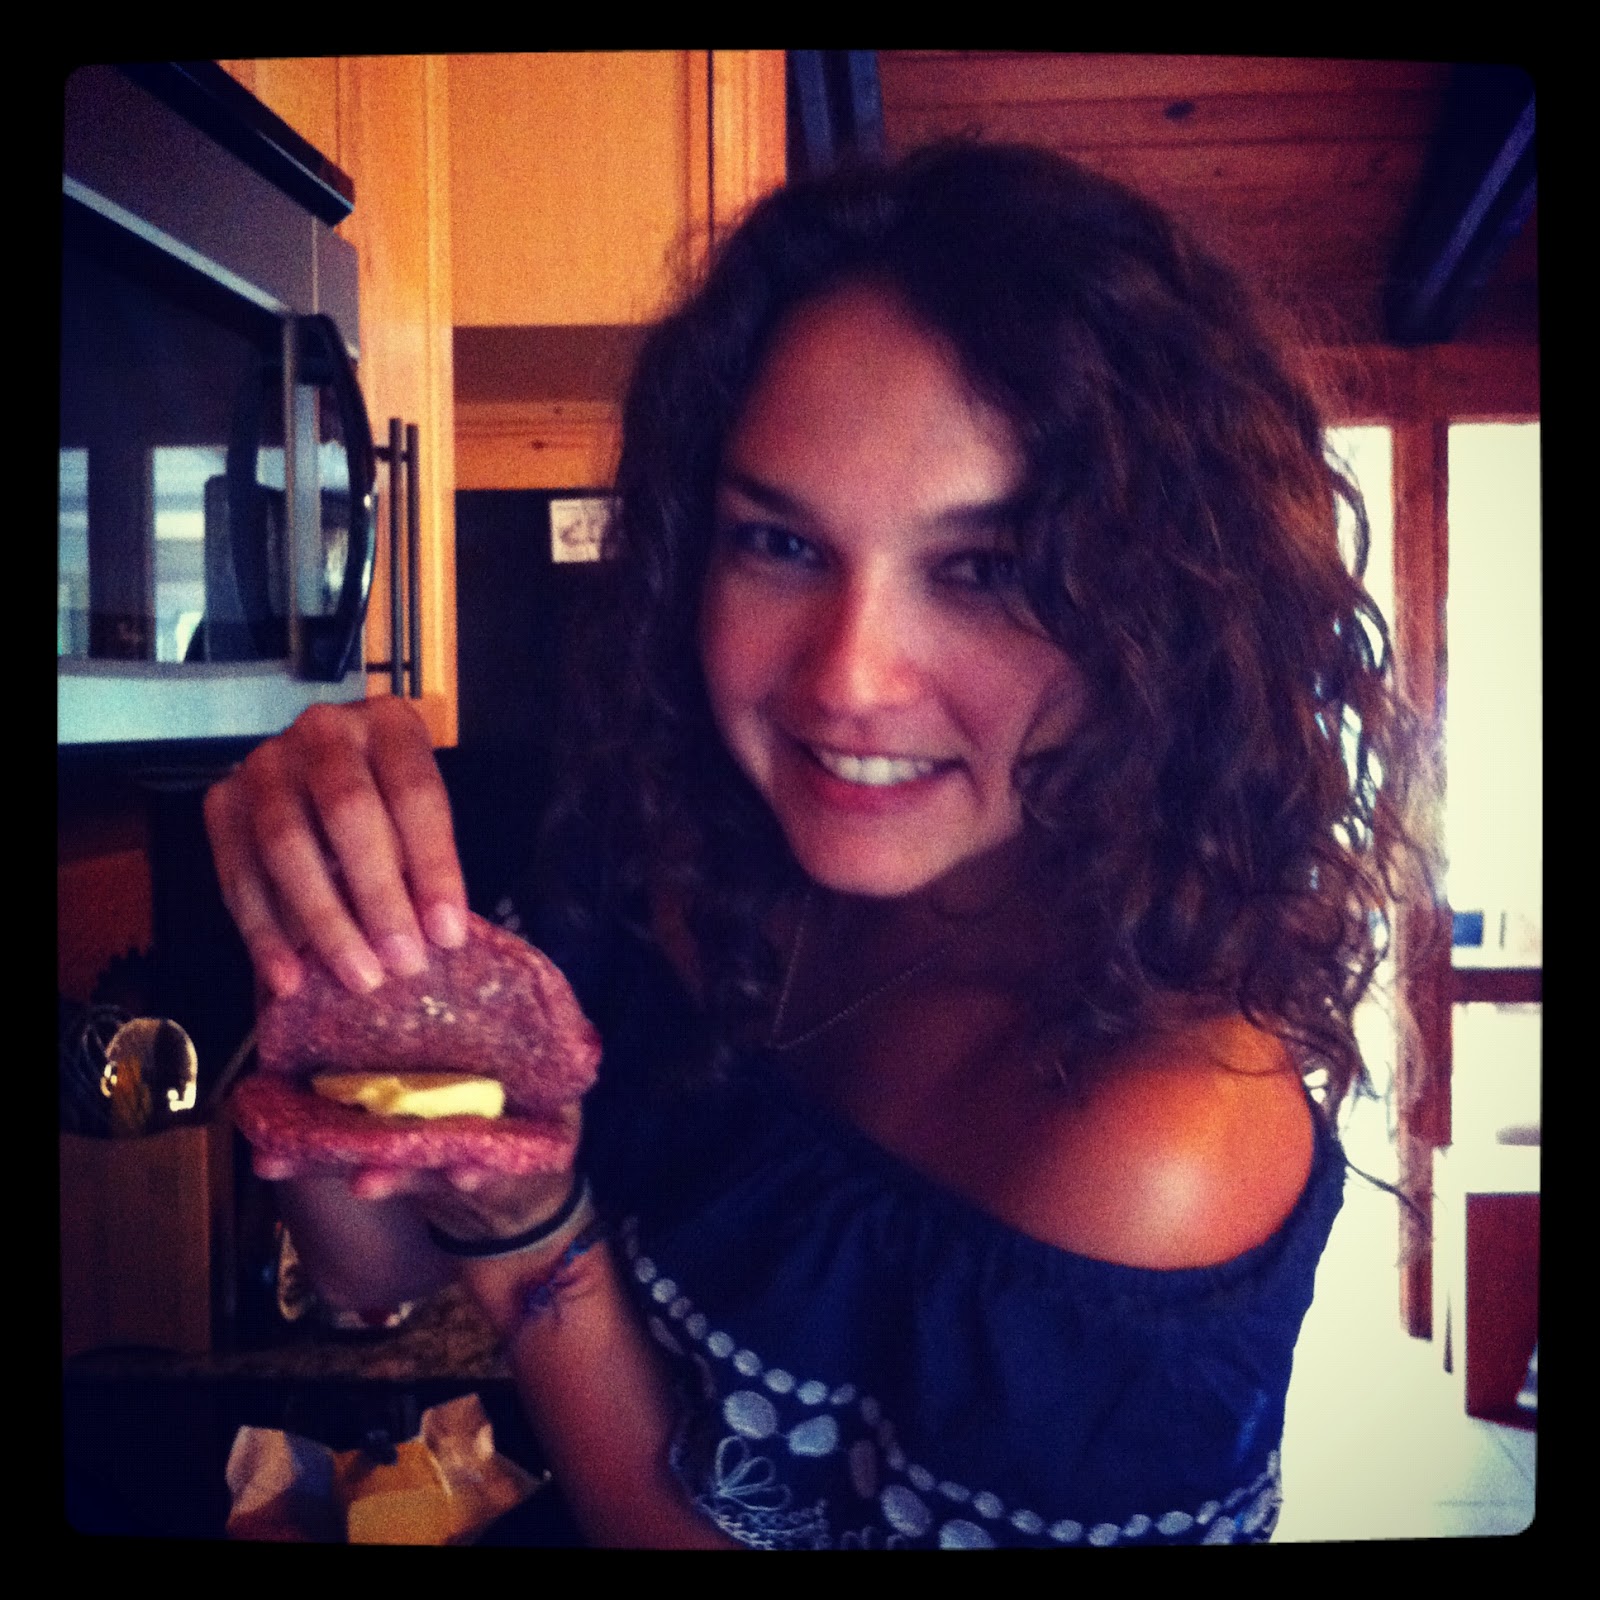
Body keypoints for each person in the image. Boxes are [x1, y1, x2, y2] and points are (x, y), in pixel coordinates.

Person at [203, 142, 1431, 1548]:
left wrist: (546, 1256)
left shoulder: (1148, 1138)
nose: (847, 679)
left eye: (989, 569)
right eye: (778, 545)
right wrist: (319, 935)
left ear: (1162, 621)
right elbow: (371, 1263)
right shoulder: (685, 846)